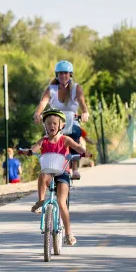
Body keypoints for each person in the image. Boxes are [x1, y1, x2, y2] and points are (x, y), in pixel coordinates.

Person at [20, 109, 91, 246]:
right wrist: (29, 152)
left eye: (54, 123)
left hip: (62, 173)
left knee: (61, 202)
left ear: (61, 125)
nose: (51, 126)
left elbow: (77, 147)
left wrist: (84, 152)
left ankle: (68, 233)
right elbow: (34, 148)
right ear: (45, 126)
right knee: (42, 176)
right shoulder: (44, 140)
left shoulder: (65, 140)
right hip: (48, 171)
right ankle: (40, 202)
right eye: (48, 124)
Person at [33, 60, 91, 180]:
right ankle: (50, 166)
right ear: (56, 75)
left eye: (66, 73)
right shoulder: (51, 89)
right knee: (48, 140)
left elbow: (81, 102)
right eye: (60, 73)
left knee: (75, 133)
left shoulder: (76, 88)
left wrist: (85, 112)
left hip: (71, 122)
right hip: (55, 123)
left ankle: (74, 169)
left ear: (70, 74)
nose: (63, 76)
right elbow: (43, 102)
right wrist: (38, 113)